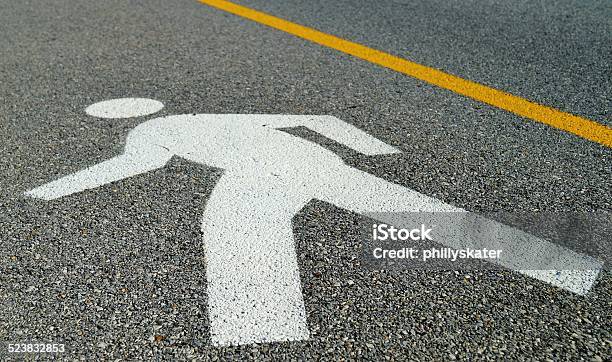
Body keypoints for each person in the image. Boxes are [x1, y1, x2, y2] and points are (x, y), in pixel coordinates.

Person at [26, 98, 601, 346]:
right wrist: (366, 146)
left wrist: (52, 190)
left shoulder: (153, 133)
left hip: (271, 171)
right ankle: (561, 263)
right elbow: (313, 115)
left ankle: (261, 331)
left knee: (232, 229)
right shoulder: (200, 115)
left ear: (122, 114)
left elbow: (129, 167)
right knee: (410, 211)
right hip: (310, 160)